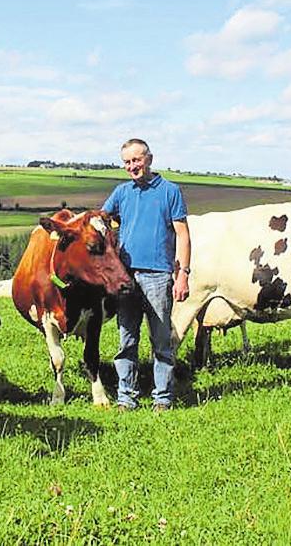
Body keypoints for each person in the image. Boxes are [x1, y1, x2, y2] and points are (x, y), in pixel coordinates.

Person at [101, 138, 190, 411]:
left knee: (161, 341)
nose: (132, 167)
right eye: (127, 162)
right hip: (125, 278)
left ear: (149, 159)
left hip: (159, 276)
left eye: (136, 160)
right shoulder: (121, 192)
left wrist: (183, 274)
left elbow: (183, 235)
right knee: (126, 339)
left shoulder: (169, 191)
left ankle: (162, 398)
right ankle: (126, 397)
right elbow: (100, 219)